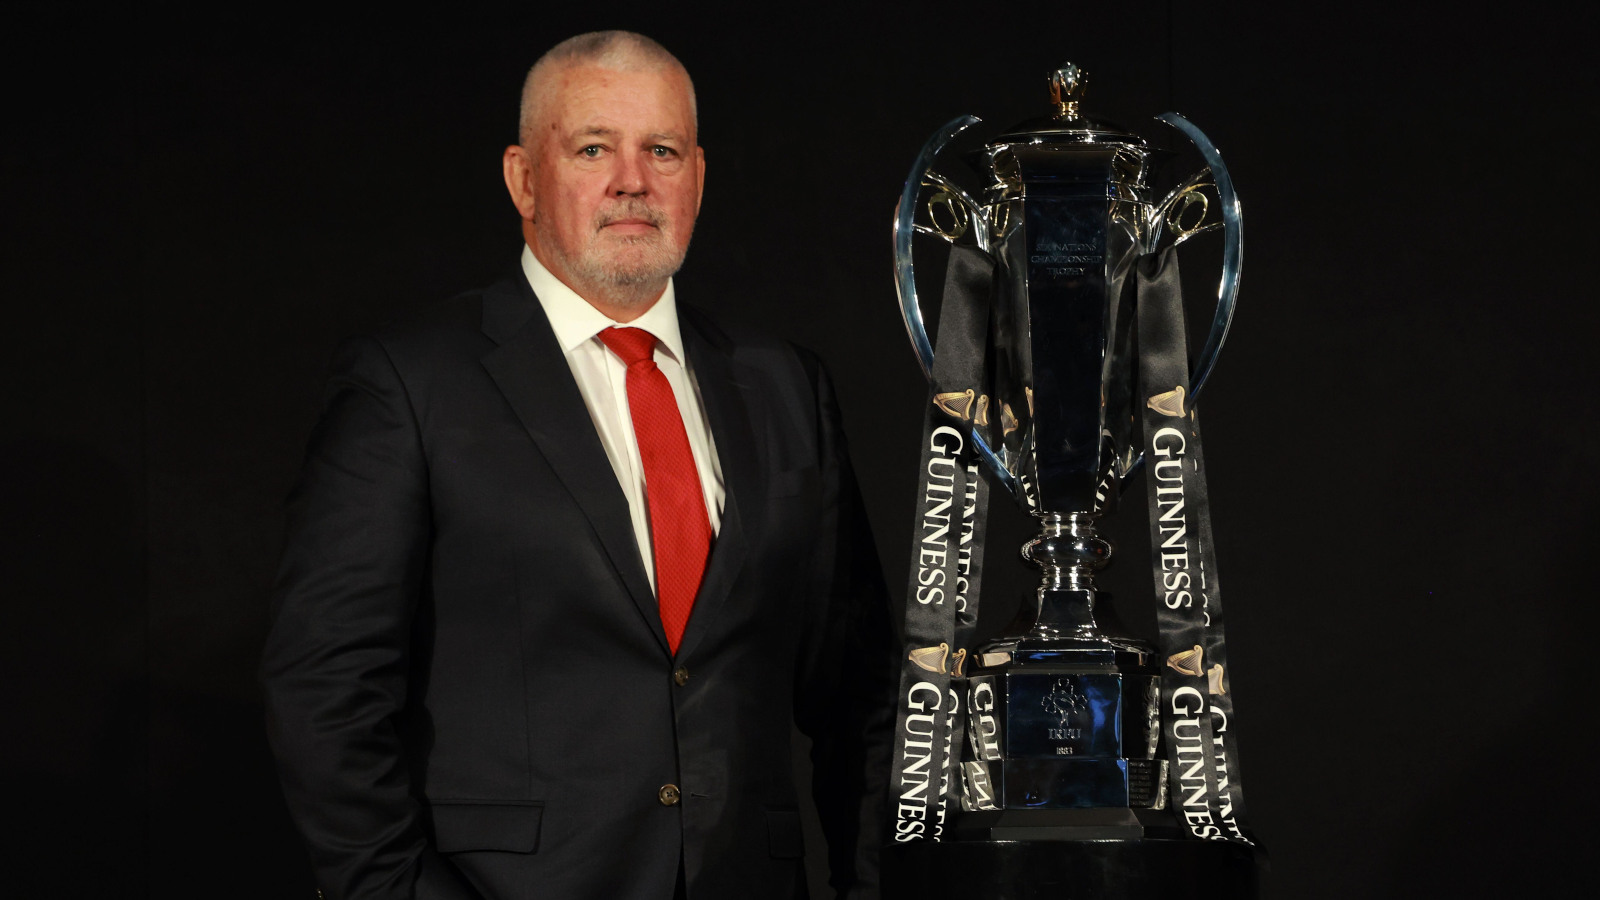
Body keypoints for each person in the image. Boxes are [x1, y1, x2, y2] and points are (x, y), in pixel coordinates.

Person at [261, 30, 894, 900]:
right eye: (594, 148)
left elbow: (863, 699)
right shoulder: (409, 384)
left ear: (698, 179)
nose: (632, 180)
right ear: (524, 178)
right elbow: (324, 692)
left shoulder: (784, 384)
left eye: (661, 151)